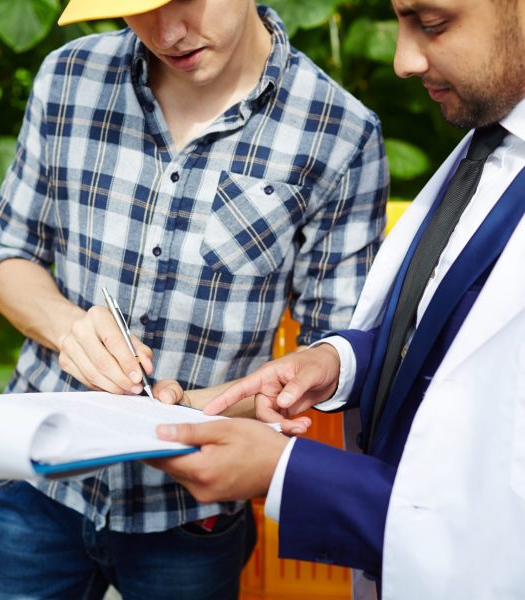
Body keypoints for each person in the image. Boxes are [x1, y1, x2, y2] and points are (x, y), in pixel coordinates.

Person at [0, 0, 388, 597]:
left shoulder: (339, 132)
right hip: (37, 481)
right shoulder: (68, 76)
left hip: (192, 516)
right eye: (138, 8)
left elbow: (333, 352)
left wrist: (206, 407)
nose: (166, 33)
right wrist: (69, 328)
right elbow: (4, 256)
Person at [150, 0, 525, 597]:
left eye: (432, 24)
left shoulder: (341, 128)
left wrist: (282, 472)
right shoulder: (493, 143)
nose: (403, 60)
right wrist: (339, 362)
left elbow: (502, 531)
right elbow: (446, 339)